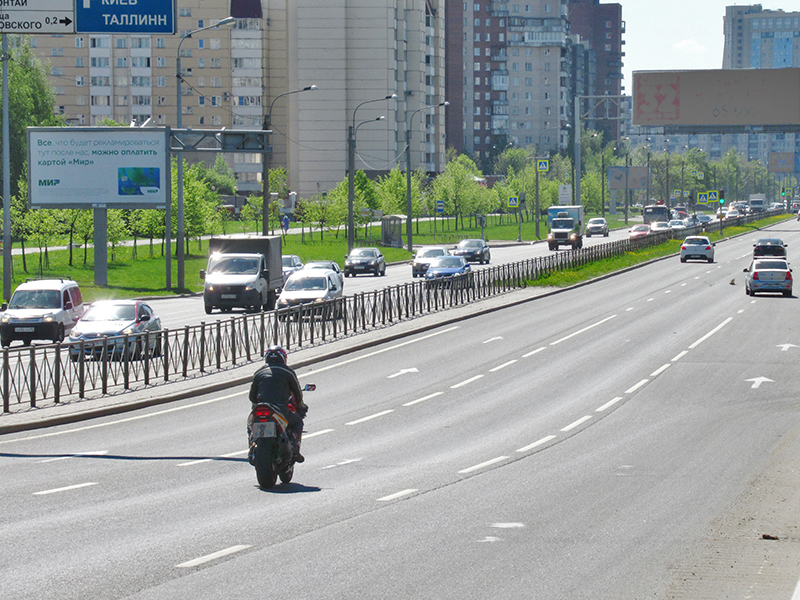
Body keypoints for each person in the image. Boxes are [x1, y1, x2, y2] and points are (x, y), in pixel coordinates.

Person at [249, 345, 308, 462]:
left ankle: (251, 444)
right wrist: (301, 406)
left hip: (261, 408)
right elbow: (297, 393)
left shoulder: (259, 373)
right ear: (283, 358)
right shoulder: (288, 372)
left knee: (250, 425)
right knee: (297, 422)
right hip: (280, 410)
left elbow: (252, 396)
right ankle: (294, 448)